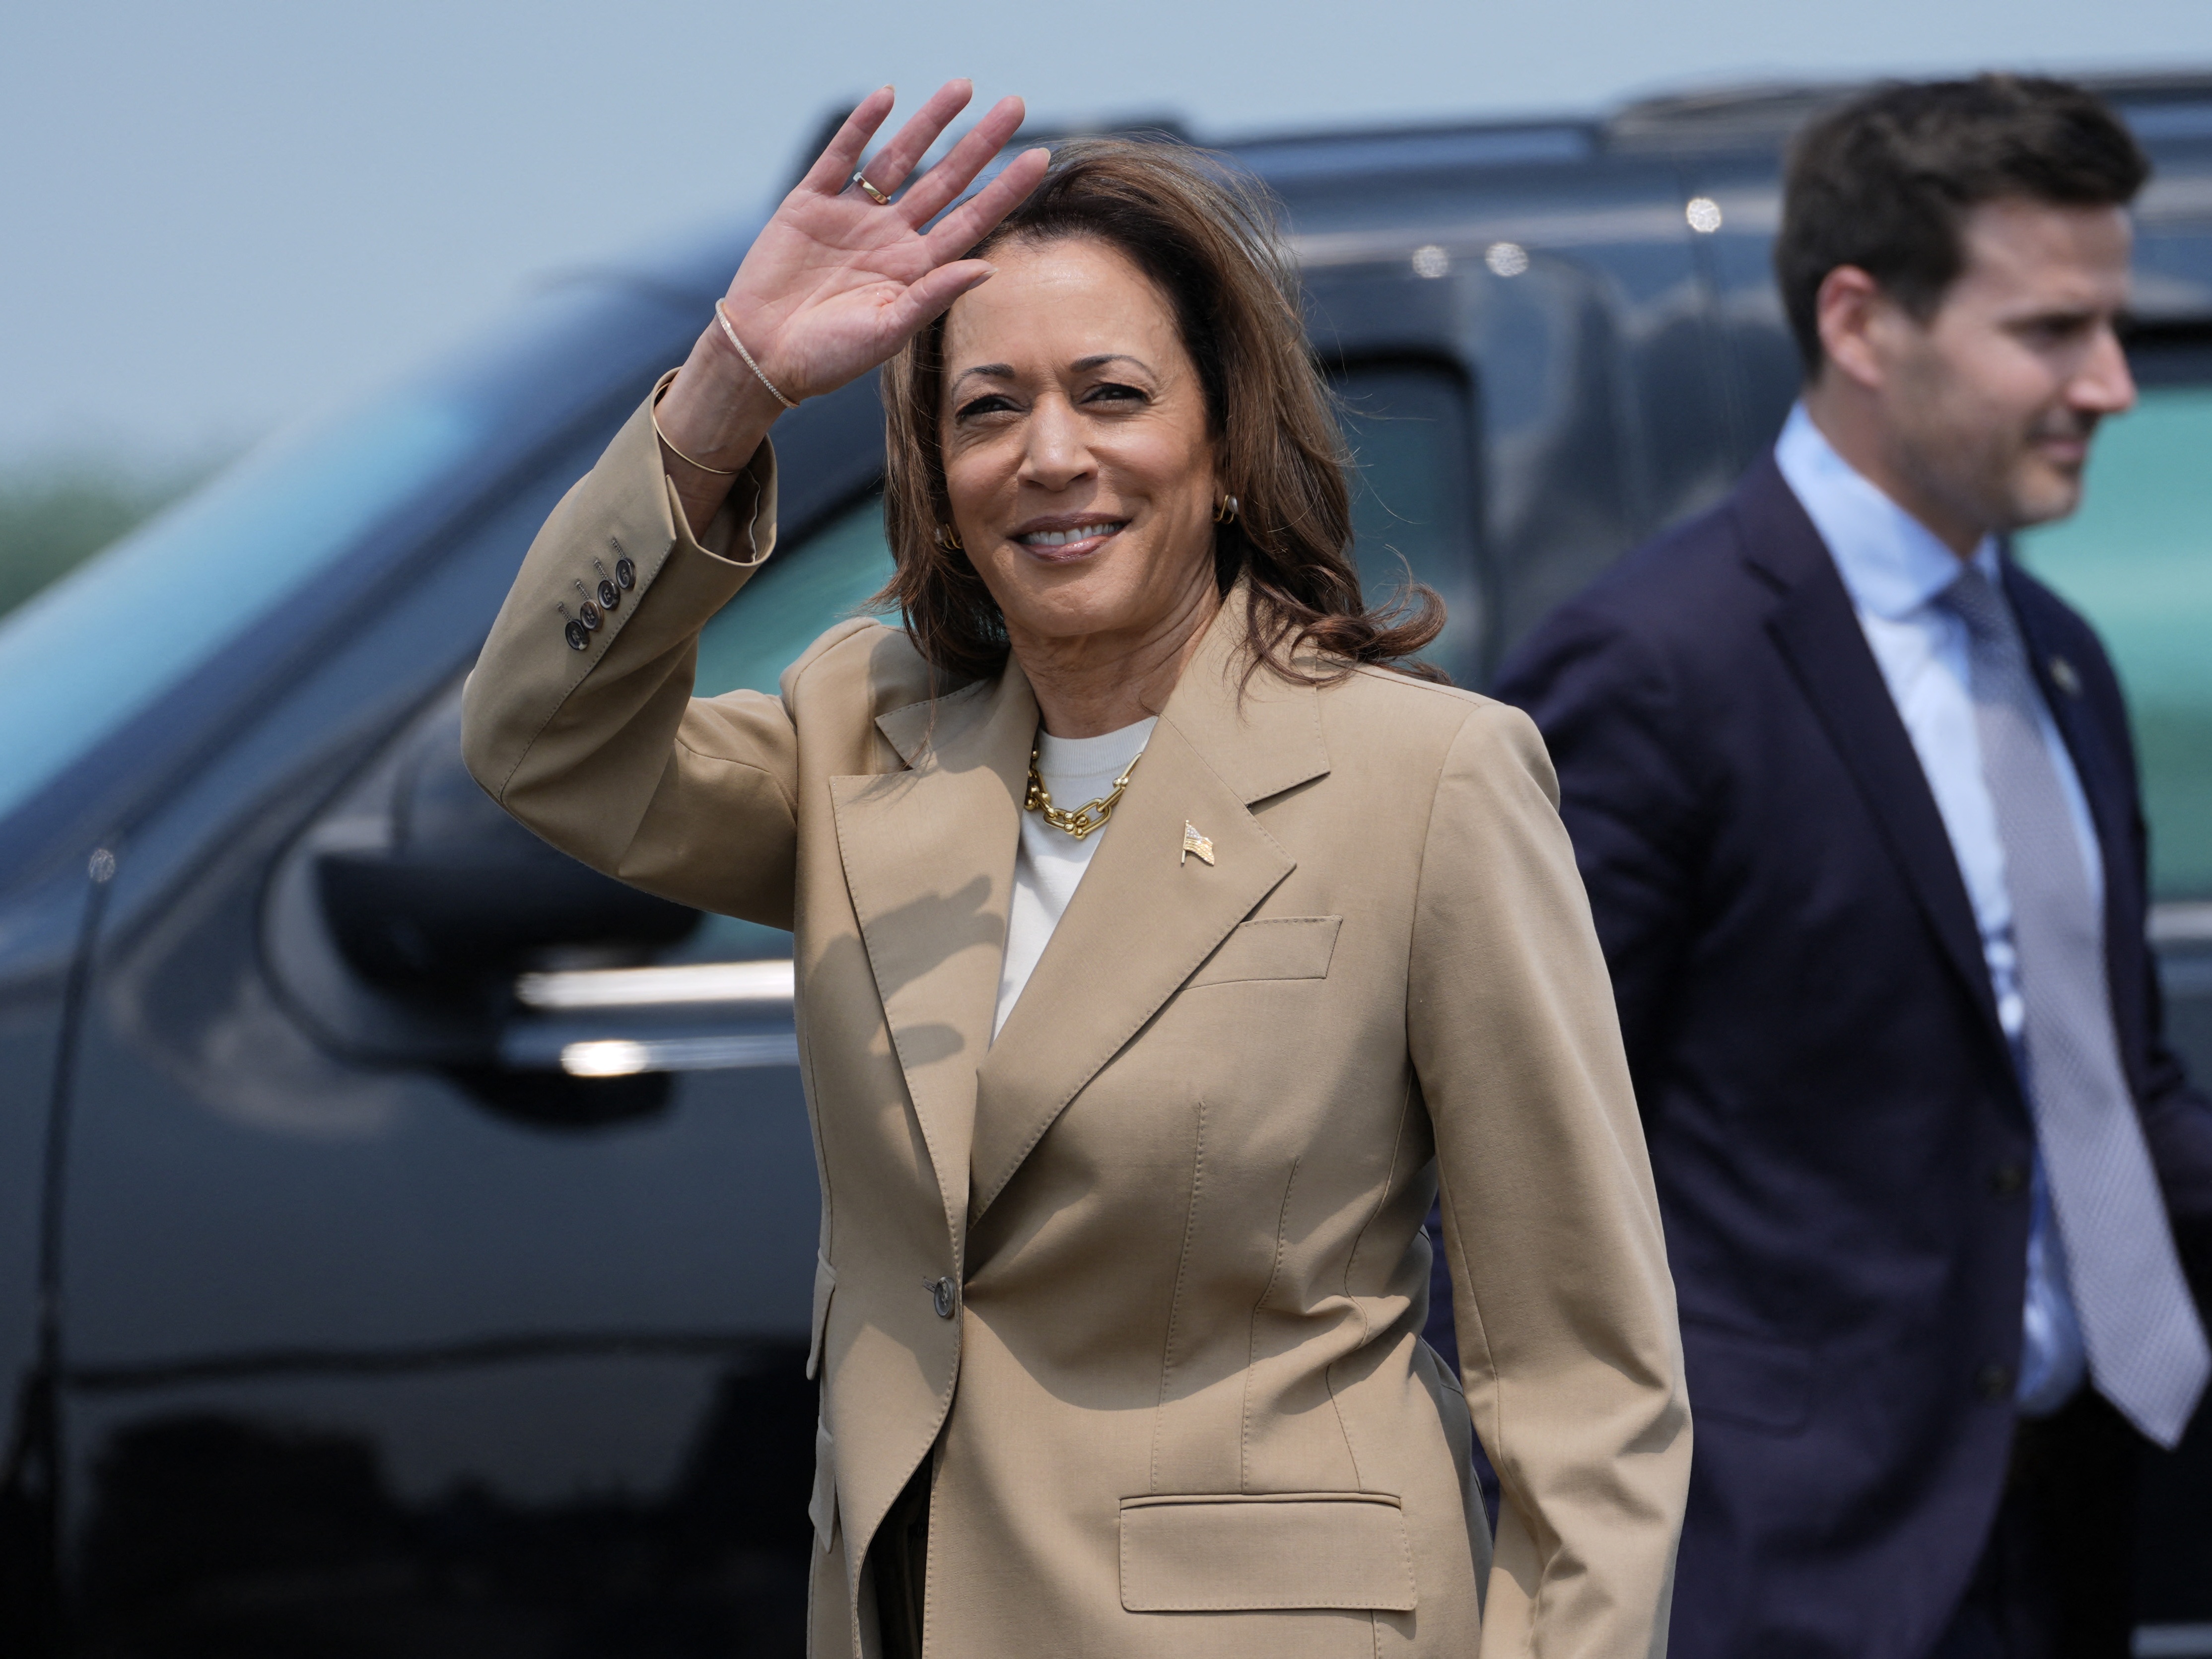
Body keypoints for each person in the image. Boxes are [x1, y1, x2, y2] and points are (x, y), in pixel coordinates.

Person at [460, 82, 1687, 1659]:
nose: (1050, 457)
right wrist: (731, 391)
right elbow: (542, 742)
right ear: (939, 478)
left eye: (1112, 395)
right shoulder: (859, 738)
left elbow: (1588, 1381)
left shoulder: (1428, 781)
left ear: (1223, 445)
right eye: (986, 410)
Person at [1486, 75, 2212, 1659]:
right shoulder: (1653, 670)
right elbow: (1503, 1156)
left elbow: (2110, 1093)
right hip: (1785, 1579)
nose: (2113, 384)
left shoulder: (2060, 658)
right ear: (1864, 322)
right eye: (2052, 332)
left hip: (2060, 1537)